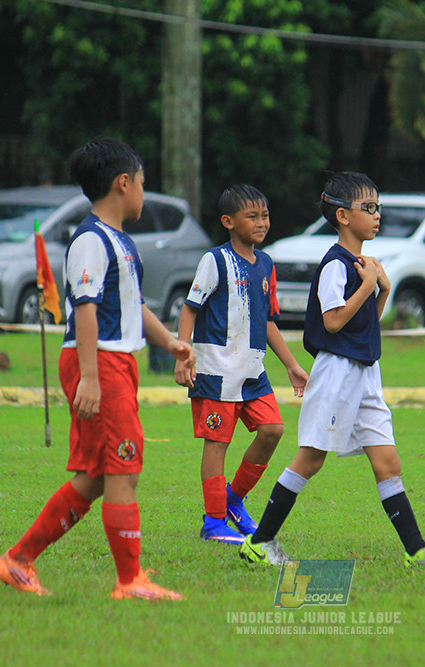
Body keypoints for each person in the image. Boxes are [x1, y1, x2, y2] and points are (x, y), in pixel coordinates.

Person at [0, 138, 195, 600]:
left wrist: (170, 342)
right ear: (123, 183)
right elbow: (83, 309)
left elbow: (131, 305)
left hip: (113, 359)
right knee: (123, 465)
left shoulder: (119, 241)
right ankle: (131, 581)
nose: (145, 191)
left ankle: (18, 561)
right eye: (143, 182)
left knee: (101, 474)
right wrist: (88, 376)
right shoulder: (91, 240)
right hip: (98, 359)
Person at [239, 171, 425, 569]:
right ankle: (259, 542)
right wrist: (367, 285)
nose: (377, 215)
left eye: (378, 207)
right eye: (369, 208)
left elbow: (364, 320)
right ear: (343, 216)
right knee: (310, 459)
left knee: (388, 463)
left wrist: (382, 291)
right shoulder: (335, 265)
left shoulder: (364, 263)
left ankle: (417, 551)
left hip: (366, 373)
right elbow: (332, 322)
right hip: (336, 374)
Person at [174, 184, 309, 544]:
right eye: (253, 216)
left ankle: (233, 500)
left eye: (265, 216)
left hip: (253, 371)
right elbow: (190, 308)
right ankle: (214, 522)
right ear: (229, 222)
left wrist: (292, 365)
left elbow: (267, 321)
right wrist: (183, 353)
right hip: (216, 371)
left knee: (273, 430)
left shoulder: (266, 264)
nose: (262, 223)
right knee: (217, 443)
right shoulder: (214, 260)